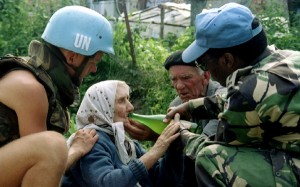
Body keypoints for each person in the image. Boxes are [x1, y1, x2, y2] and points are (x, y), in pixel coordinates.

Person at [164, 2, 300, 186]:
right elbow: (238, 100)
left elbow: (218, 144)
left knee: (211, 158)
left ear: (227, 60)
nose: (205, 70)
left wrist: (181, 134)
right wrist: (191, 107)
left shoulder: (248, 91)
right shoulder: (288, 58)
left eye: (203, 64)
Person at [0, 5, 114, 186]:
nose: (94, 69)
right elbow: (47, 162)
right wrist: (76, 149)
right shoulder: (31, 89)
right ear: (73, 57)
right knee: (53, 145)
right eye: (94, 61)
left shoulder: (40, 81)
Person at [125, 50, 226, 187]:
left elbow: (203, 150)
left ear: (206, 76)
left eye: (186, 78)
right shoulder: (177, 105)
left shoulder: (223, 100)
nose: (179, 86)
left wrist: (157, 137)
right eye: (174, 79)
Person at [62, 80, 184, 187]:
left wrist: (174, 148)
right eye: (121, 101)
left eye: (128, 99)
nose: (131, 107)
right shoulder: (92, 140)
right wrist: (156, 150)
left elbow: (163, 182)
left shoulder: (125, 144)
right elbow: (105, 183)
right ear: (103, 107)